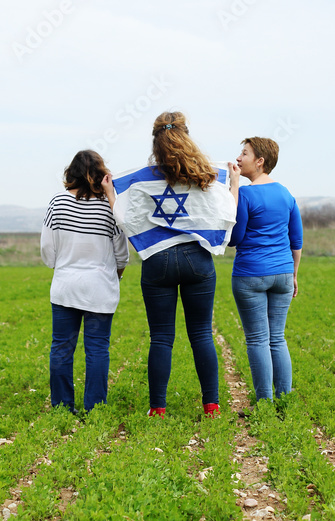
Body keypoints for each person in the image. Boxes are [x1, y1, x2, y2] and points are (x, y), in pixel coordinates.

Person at [102, 111, 240, 418]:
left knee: (161, 337)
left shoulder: (141, 180)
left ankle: (158, 408)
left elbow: (126, 219)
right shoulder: (206, 175)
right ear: (187, 135)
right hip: (198, 260)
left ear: (155, 140)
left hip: (158, 262)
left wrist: (112, 194)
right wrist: (235, 184)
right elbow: (227, 213)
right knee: (202, 333)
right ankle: (212, 405)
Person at [41, 150, 129, 414]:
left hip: (65, 286)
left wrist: (62, 265)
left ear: (71, 172)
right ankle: (95, 408)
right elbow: (121, 252)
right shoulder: (109, 206)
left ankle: (62, 407)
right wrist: (116, 275)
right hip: (101, 288)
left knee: (61, 348)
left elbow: (47, 249)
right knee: (98, 349)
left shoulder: (57, 203)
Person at [228, 137, 303, 402]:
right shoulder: (286, 193)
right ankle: (285, 401)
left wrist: (234, 189)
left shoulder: (246, 194)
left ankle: (264, 403)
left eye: (244, 154)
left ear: (260, 162)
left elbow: (235, 238)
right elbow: (296, 241)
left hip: (250, 274)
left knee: (258, 340)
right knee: (277, 339)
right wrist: (293, 275)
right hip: (283, 274)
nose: (238, 158)